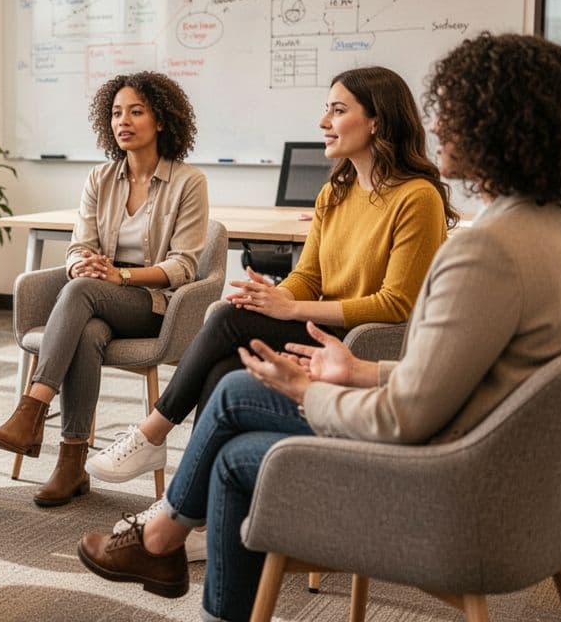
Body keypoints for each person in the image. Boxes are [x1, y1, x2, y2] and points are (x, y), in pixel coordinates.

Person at [75, 32, 561, 622]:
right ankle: (163, 536)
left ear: (496, 126)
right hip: (522, 478)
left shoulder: (487, 249)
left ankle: (159, 535)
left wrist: (313, 392)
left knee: (236, 406)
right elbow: (470, 371)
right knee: (237, 374)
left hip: (458, 485)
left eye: (453, 113)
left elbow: (407, 410)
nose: (437, 127)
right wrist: (361, 369)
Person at [85, 67, 458, 512]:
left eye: (337, 111)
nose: (323, 122)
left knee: (225, 318)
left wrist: (290, 307)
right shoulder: (333, 194)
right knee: (225, 362)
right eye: (326, 109)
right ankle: (195, 512)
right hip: (324, 331)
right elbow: (311, 278)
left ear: (377, 121)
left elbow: (397, 304)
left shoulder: (416, 197)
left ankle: (154, 436)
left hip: (362, 344)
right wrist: (272, 294)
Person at [0, 71, 207, 507]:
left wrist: (119, 277)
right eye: (116, 112)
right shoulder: (100, 179)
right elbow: (78, 246)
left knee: (83, 290)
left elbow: (184, 265)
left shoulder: (188, 182)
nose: (123, 121)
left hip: (152, 301)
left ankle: (32, 409)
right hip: (97, 294)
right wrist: (80, 263)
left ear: (161, 120)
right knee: (86, 330)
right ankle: (71, 466)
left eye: (136, 111)